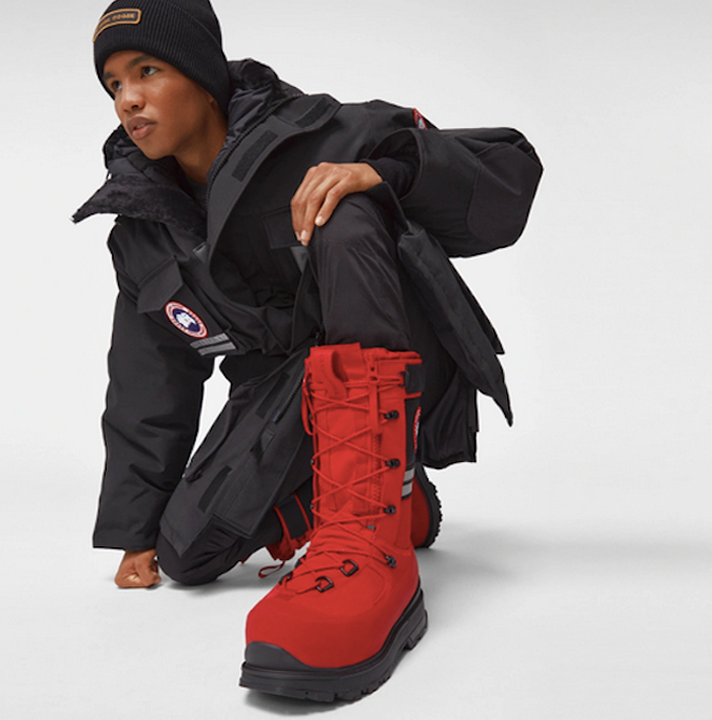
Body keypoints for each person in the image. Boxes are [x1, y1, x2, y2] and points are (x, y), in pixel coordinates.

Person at [72, 0, 541, 702]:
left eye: (147, 71)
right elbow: (148, 382)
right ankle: (395, 497)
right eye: (113, 84)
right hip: (294, 400)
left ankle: (371, 542)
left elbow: (508, 173)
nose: (128, 99)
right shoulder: (144, 227)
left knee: (341, 205)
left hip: (405, 361)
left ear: (204, 78)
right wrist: (133, 526)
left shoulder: (319, 133)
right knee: (186, 553)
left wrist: (385, 175)